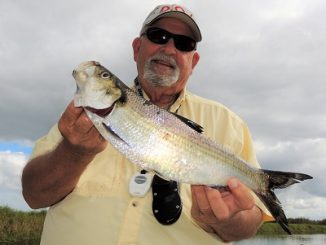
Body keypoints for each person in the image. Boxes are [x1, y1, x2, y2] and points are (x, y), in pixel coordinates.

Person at [22, 4, 272, 244]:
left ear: (193, 62)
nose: (170, 48)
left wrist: (230, 221)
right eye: (159, 36)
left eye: (184, 44)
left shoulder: (229, 123)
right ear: (136, 48)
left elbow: (249, 223)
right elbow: (33, 195)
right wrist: (73, 152)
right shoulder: (79, 119)